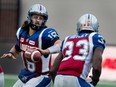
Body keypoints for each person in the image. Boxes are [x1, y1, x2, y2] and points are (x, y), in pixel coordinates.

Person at [0, 4, 61, 87]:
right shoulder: (21, 32)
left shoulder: (46, 33)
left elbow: (59, 44)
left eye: (41, 18)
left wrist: (45, 51)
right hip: (27, 73)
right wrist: (11, 53)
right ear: (29, 17)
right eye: (35, 17)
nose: (38, 20)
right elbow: (18, 47)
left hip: (41, 76)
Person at [50, 13, 106, 87]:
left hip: (58, 78)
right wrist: (95, 80)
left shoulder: (67, 39)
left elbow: (53, 70)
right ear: (95, 26)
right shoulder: (96, 37)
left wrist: (57, 82)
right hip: (76, 78)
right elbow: (96, 67)